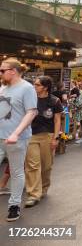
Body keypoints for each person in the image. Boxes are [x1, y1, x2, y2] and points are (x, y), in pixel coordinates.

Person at [0, 58, 38, 221]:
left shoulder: (27, 88)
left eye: (2, 70)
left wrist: (16, 133)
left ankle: (14, 205)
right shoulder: (3, 87)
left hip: (17, 139)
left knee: (16, 172)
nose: (0, 73)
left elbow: (31, 112)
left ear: (13, 71)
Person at [24, 76, 63, 208]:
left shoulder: (55, 101)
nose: (34, 87)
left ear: (45, 87)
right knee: (32, 166)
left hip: (48, 135)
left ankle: (44, 187)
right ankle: (33, 194)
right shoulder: (30, 99)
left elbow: (57, 120)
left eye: (37, 85)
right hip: (31, 135)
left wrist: (56, 138)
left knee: (46, 166)